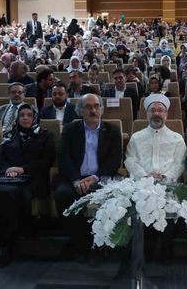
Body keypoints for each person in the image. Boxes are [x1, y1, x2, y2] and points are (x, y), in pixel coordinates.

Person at [0, 103, 55, 267]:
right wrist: (8, 170)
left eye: (29, 115)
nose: (25, 118)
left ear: (34, 117)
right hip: (7, 176)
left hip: (32, 178)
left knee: (12, 194)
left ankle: (8, 244)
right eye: (22, 115)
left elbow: (46, 161)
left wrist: (22, 169)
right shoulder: (9, 136)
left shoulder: (44, 135)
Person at [53, 94, 122, 258]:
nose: (93, 110)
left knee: (111, 196)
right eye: (88, 107)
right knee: (63, 195)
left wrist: (95, 178)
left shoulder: (112, 130)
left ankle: (101, 242)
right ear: (80, 111)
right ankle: (80, 242)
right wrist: (76, 179)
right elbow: (64, 158)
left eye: (97, 106)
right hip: (74, 178)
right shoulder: (70, 130)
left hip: (101, 177)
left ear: (102, 109)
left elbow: (114, 160)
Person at [124, 94, 186, 261]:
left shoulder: (177, 138)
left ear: (166, 114)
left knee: (169, 205)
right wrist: (145, 176)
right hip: (141, 184)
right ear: (147, 114)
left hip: (168, 185)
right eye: (152, 110)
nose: (156, 113)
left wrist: (165, 177)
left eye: (160, 110)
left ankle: (166, 249)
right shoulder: (136, 137)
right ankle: (145, 248)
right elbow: (130, 160)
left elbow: (180, 164)